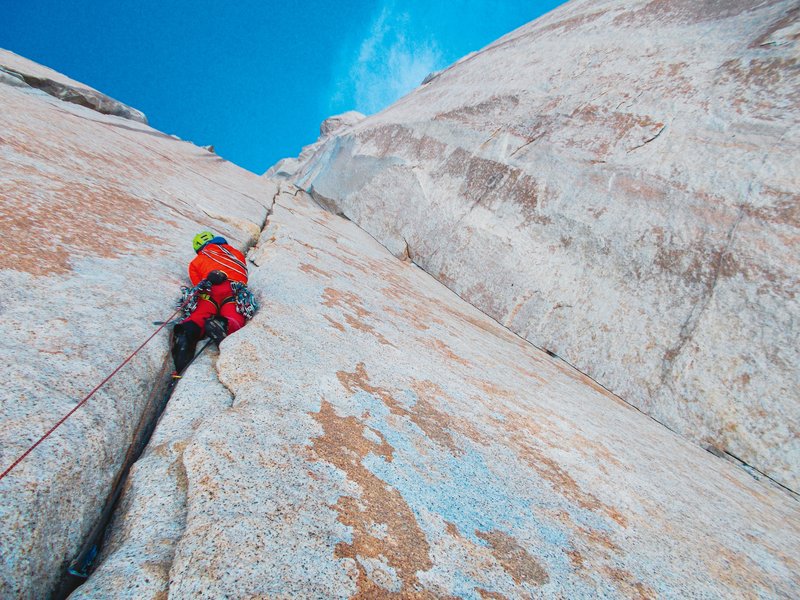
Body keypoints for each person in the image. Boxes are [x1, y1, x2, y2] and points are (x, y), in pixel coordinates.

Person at [171, 231, 249, 374]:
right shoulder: (236, 253)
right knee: (233, 314)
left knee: (202, 311)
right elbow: (243, 274)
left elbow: (197, 285)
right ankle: (223, 324)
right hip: (232, 290)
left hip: (209, 291)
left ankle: (188, 330)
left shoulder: (196, 262)